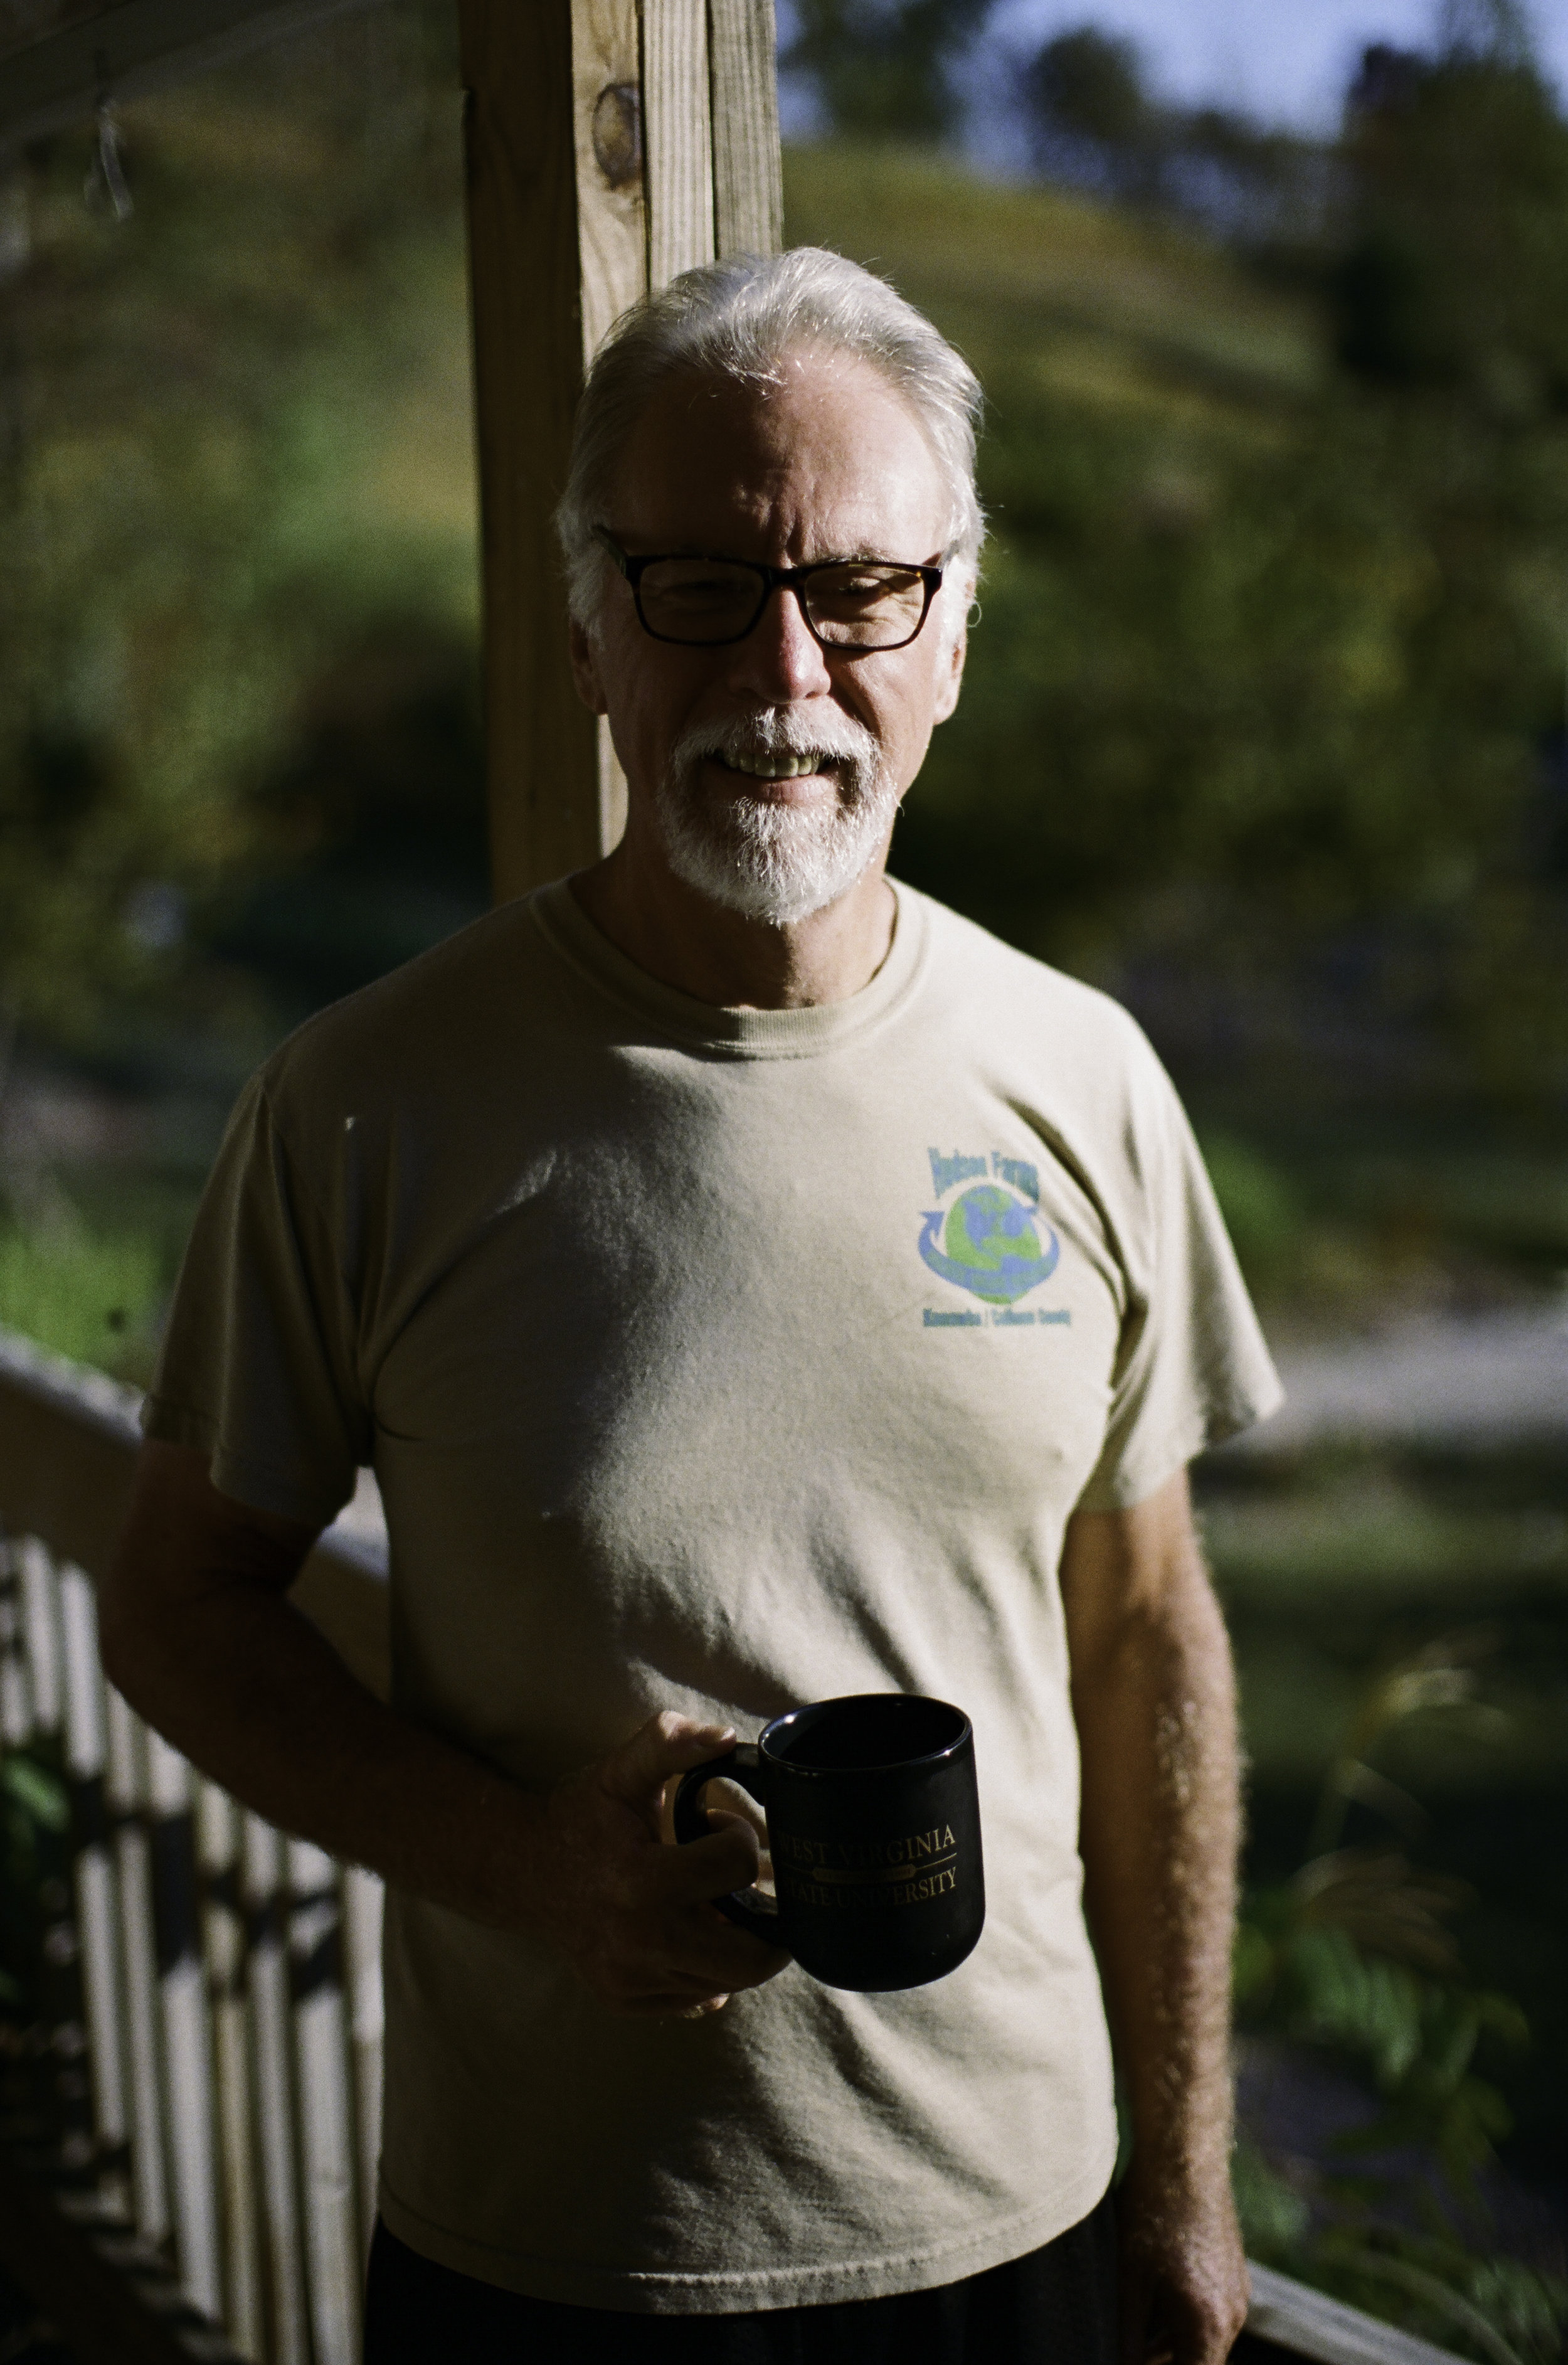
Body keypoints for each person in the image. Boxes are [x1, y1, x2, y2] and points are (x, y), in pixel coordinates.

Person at [102, 248, 1281, 2364]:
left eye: (860, 592)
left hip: (1023, 2232)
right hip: (556, 2260)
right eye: (700, 588)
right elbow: (181, 1602)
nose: (788, 673)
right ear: (586, 628)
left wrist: (1184, 2176)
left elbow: (1144, 1627)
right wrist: (526, 1868)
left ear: (954, 629)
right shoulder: (366, 1101)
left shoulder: (1081, 1074)